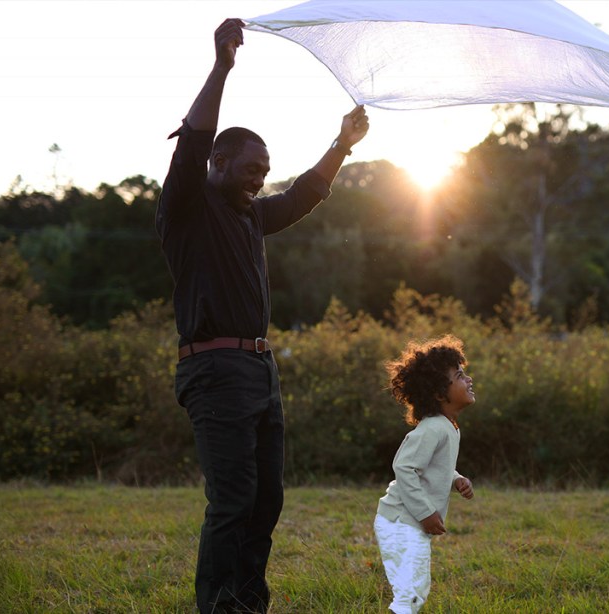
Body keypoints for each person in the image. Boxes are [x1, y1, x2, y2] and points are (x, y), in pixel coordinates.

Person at [155, 18, 370, 613]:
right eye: (251, 169)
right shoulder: (188, 205)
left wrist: (342, 144)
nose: (260, 179)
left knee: (266, 500)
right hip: (214, 370)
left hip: (258, 370)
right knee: (232, 501)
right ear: (219, 161)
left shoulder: (249, 215)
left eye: (265, 171)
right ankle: (218, 606)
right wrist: (222, 67)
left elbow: (300, 197)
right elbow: (195, 137)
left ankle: (249, 602)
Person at [374, 335, 476, 614]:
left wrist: (456, 478)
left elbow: (434, 466)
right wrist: (425, 513)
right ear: (440, 394)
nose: (468, 379)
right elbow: (405, 467)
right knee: (411, 592)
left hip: (407, 523)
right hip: (400, 522)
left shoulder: (447, 426)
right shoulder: (432, 428)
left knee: (415, 589)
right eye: (459, 376)